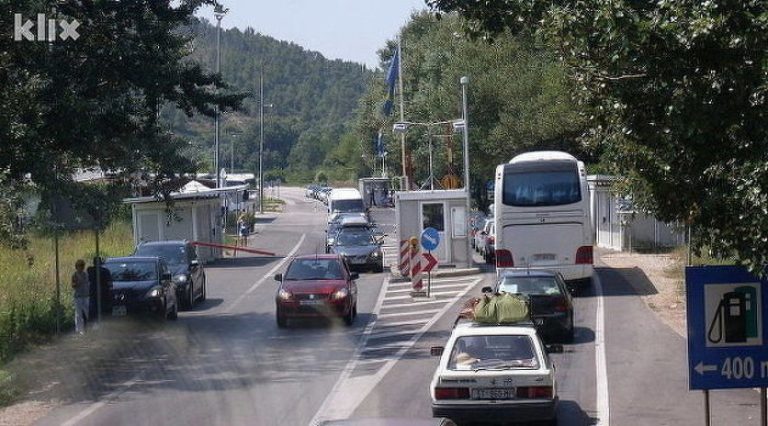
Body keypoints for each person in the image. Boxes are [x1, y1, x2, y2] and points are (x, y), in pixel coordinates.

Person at [87, 257, 113, 323]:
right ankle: (100, 322)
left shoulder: (90, 270)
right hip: (102, 293)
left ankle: (95, 323)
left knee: (94, 310)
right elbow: (110, 284)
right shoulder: (105, 271)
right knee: (102, 309)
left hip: (95, 292)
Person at [71, 259, 90, 335]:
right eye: (80, 266)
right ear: (77, 267)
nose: (81, 267)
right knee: (78, 313)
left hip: (86, 295)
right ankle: (79, 329)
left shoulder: (86, 274)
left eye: (82, 265)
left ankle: (88, 327)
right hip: (78, 296)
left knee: (87, 312)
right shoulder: (74, 275)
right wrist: (78, 283)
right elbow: (73, 285)